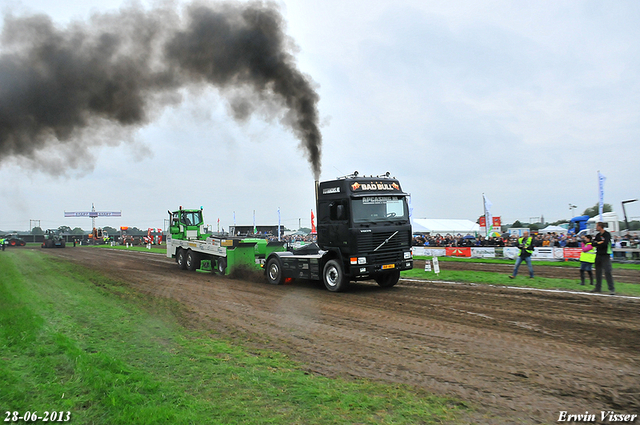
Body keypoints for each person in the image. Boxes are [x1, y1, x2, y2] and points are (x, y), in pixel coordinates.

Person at [592, 222, 615, 295]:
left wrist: (598, 243)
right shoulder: (598, 235)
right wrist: (599, 243)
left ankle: (611, 289)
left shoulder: (607, 234)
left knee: (607, 272)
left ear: (600, 227)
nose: (596, 228)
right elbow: (593, 244)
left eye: (597, 226)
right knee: (598, 272)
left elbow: (605, 244)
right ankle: (598, 287)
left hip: (605, 255)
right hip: (598, 255)